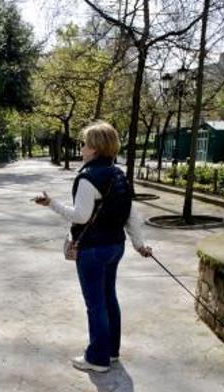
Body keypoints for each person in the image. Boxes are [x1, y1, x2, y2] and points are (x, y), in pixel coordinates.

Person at [34, 121, 152, 373]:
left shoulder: (88, 178)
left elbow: (80, 216)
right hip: (115, 247)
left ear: (95, 148)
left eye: (86, 143)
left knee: (95, 304)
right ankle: (111, 352)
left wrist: (51, 203)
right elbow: (131, 214)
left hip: (93, 251)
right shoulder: (119, 174)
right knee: (109, 298)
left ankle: (97, 358)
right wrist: (140, 244)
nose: (82, 147)